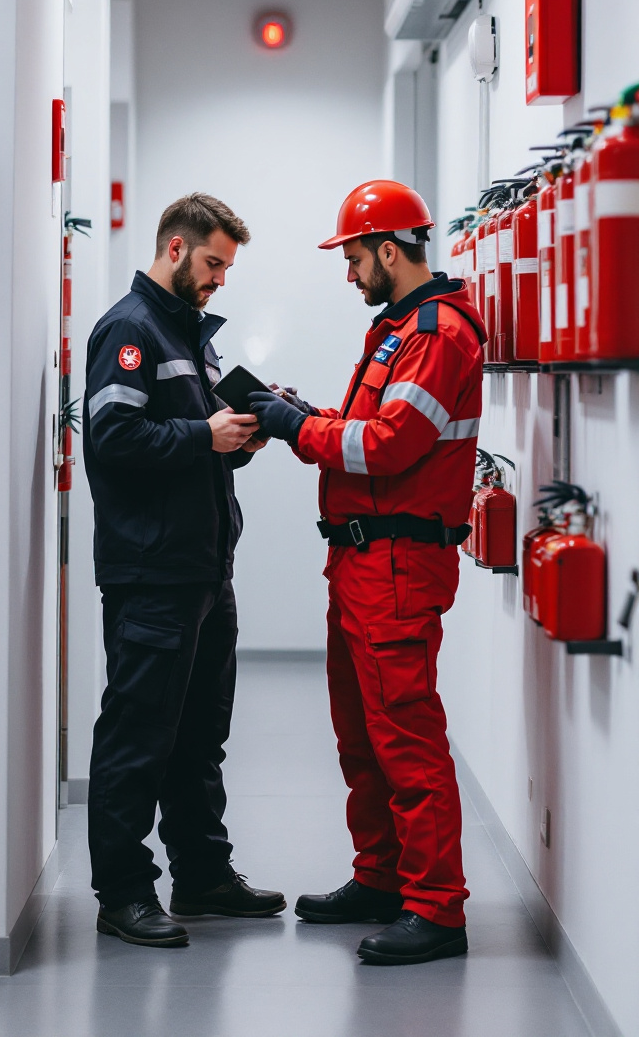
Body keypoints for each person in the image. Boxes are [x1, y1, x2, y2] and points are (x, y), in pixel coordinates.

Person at [249, 179, 485, 966]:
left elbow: (386, 446)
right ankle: (381, 877)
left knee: (405, 735)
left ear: (389, 250)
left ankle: (436, 910)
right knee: (361, 734)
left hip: (398, 563)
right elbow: (369, 429)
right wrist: (307, 414)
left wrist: (296, 427)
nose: (348, 274)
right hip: (359, 558)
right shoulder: (396, 329)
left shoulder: (437, 333)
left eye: (353, 259)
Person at [83, 192, 285, 949]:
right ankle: (124, 895)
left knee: (201, 734)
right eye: (212, 264)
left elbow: (188, 437)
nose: (219, 280)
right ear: (174, 249)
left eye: (226, 268)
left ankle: (201, 873)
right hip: (152, 575)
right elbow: (114, 438)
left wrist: (235, 437)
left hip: (204, 569)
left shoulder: (189, 336)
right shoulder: (128, 331)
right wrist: (204, 435)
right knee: (138, 738)